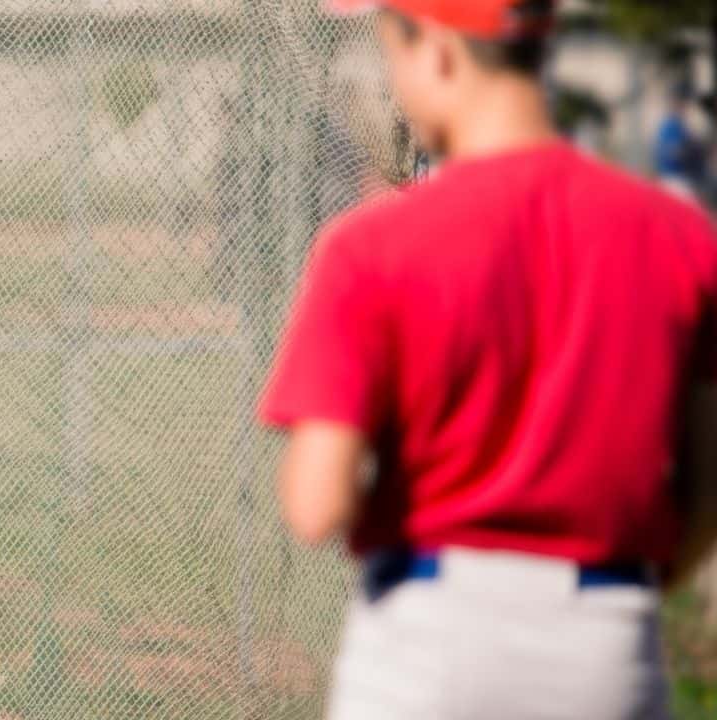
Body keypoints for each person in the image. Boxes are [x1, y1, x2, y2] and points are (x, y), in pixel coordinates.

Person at [259, 1, 717, 718]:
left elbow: (317, 505)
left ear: (438, 52)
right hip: (605, 637)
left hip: (429, 634)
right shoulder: (682, 239)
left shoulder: (370, 248)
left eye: (393, 51)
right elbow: (705, 492)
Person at [654, 81, 708, 200]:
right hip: (674, 180)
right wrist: (694, 149)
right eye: (681, 101)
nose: (684, 106)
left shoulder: (680, 125)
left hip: (681, 179)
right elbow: (673, 153)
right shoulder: (670, 125)